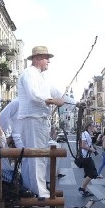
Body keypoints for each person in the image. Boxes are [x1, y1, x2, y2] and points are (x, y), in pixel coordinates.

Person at [16, 45, 65, 199]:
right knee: (37, 156)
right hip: (33, 118)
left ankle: (33, 188)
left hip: (38, 119)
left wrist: (74, 102)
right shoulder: (30, 74)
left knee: (38, 157)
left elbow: (58, 94)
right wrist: (52, 101)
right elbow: (33, 95)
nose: (48, 62)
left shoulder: (41, 77)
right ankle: (39, 191)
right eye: (46, 58)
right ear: (37, 58)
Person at [78, 122, 99, 197]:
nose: (94, 127)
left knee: (87, 174)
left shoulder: (87, 134)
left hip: (86, 156)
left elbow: (88, 145)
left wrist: (94, 150)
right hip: (85, 157)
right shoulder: (85, 134)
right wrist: (92, 150)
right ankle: (82, 188)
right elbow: (83, 145)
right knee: (93, 173)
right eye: (93, 126)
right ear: (89, 126)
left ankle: (85, 191)